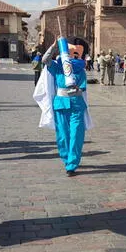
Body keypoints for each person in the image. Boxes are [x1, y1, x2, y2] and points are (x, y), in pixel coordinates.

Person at [34, 37, 94, 176]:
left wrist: (75, 87)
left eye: (76, 54)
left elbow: (83, 88)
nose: (73, 56)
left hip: (76, 105)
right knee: (62, 135)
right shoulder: (57, 67)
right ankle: (67, 159)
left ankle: (72, 164)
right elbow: (45, 60)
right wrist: (54, 46)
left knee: (76, 134)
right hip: (61, 104)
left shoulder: (80, 70)